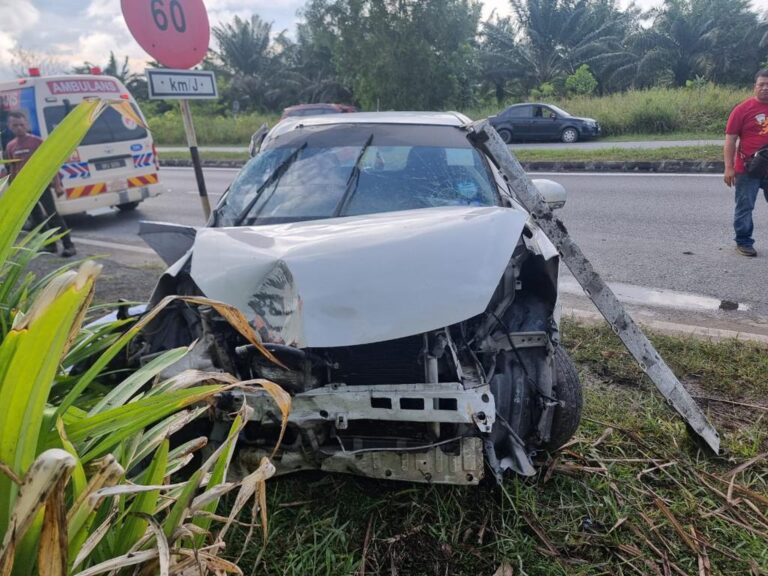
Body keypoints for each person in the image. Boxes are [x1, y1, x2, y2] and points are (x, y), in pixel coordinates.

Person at [4, 110, 76, 257]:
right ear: (10, 126)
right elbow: (12, 168)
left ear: (27, 125)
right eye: (15, 125)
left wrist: (57, 185)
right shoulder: (10, 146)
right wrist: (13, 189)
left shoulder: (37, 142)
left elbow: (51, 165)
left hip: (41, 186)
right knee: (37, 219)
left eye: (21, 124)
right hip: (24, 190)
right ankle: (50, 245)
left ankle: (69, 245)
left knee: (53, 215)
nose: (19, 128)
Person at [723, 69, 768, 257]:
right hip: (747, 168)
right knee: (745, 207)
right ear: (754, 87)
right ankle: (743, 241)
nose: (765, 88)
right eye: (761, 84)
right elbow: (730, 140)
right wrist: (729, 168)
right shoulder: (742, 110)